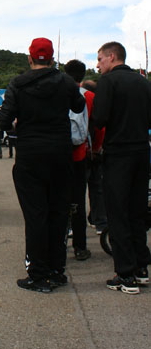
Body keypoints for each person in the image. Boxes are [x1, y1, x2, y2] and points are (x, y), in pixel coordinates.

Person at [0, 37, 85, 293]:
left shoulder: (18, 84)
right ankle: (57, 271)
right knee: (59, 213)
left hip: (30, 156)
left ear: (30, 58)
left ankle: (38, 275)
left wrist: (18, 124)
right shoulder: (66, 82)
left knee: (35, 215)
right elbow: (79, 106)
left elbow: (4, 121)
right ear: (51, 57)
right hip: (60, 155)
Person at [92, 41, 151, 294]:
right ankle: (141, 268)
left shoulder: (108, 82)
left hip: (119, 153)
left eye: (100, 59)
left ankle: (125, 275)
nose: (98, 65)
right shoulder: (143, 82)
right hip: (142, 151)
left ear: (112, 57)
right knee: (137, 211)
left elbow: (100, 118)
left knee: (117, 213)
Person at [64, 60, 94, 261]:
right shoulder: (89, 96)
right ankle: (80, 247)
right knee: (78, 202)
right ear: (83, 76)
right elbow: (97, 127)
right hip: (80, 154)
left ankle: (59, 242)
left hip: (59, 154)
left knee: (58, 200)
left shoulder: (57, 92)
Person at [81, 79, 107, 235]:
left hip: (79, 151)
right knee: (97, 188)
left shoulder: (75, 97)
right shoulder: (94, 99)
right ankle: (100, 222)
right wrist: (97, 147)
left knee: (77, 190)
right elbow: (100, 127)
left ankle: (73, 225)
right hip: (94, 152)